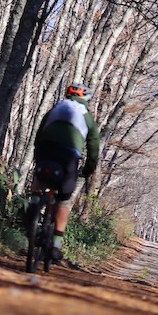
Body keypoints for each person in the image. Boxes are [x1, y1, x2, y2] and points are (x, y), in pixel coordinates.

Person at [26, 83, 100, 262]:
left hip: (46, 148)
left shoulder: (56, 108)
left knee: (39, 176)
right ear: (85, 99)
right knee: (64, 200)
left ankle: (34, 203)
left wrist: (37, 155)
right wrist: (88, 170)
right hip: (68, 156)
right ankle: (57, 245)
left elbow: (39, 133)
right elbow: (93, 145)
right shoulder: (86, 115)